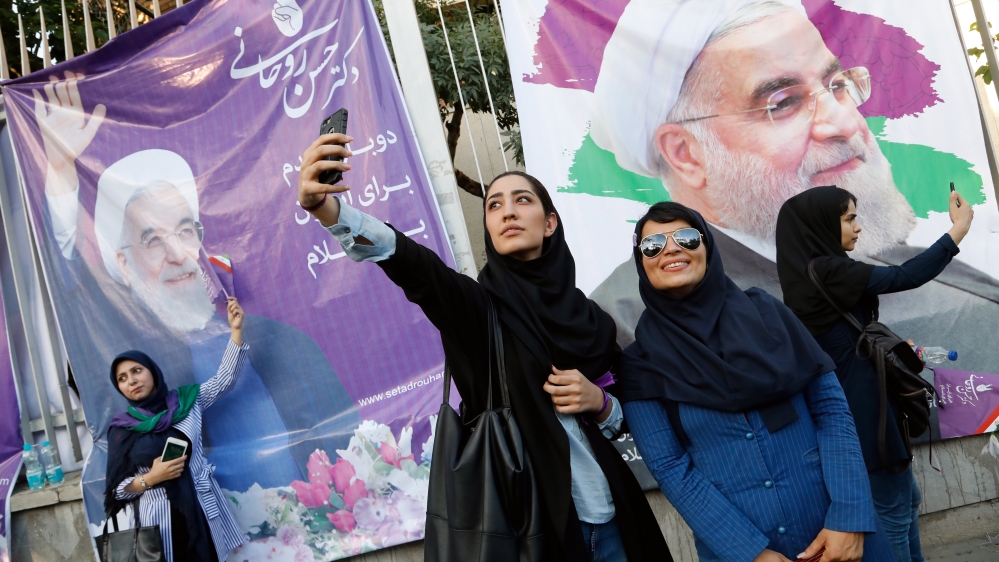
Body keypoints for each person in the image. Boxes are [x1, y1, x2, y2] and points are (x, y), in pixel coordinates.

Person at [293, 132, 671, 561]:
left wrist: (599, 402)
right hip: (530, 530)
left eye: (522, 200)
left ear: (550, 223)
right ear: (489, 228)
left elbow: (631, 417)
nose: (507, 210)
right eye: (494, 204)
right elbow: (416, 266)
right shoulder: (476, 310)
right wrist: (327, 210)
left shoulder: (592, 321)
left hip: (612, 514)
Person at [586, 1, 999, 373]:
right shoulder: (622, 320)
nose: (845, 124)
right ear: (686, 155)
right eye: (783, 102)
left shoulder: (962, 290)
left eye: (837, 84)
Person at [32, 73, 358, 495]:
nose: (176, 254)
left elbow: (349, 449)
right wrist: (59, 174)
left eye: (184, 232)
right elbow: (69, 282)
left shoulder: (281, 340)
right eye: (152, 239)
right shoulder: (132, 365)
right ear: (123, 264)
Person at [617, 201, 896, 562]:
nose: (671, 249)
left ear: (708, 247)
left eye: (686, 237)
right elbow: (670, 466)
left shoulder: (769, 314)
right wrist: (750, 553)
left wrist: (849, 517)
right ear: (642, 262)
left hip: (841, 535)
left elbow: (831, 411)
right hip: (742, 549)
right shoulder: (641, 363)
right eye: (653, 245)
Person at [775, 186, 975, 562]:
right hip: (866, 415)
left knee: (903, 501)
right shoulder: (828, 269)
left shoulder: (807, 271)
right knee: (894, 512)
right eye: (849, 218)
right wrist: (958, 231)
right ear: (820, 224)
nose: (858, 227)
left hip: (857, 406)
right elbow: (903, 276)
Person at [104, 297, 248, 562]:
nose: (131, 381)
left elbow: (224, 380)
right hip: (160, 524)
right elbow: (117, 490)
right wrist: (152, 477)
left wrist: (236, 331)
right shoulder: (122, 429)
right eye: (122, 379)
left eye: (137, 371)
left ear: (153, 373)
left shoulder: (186, 401)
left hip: (202, 510)